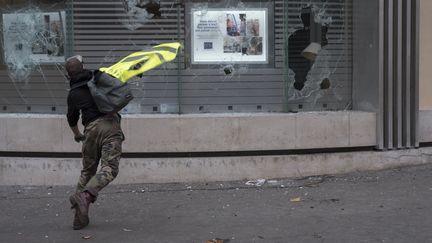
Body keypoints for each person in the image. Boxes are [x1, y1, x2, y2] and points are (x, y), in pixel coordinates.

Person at [65, 55, 125, 230]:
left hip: (90, 130)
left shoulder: (73, 93)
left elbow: (71, 118)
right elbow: (118, 81)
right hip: (109, 128)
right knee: (109, 169)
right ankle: (85, 195)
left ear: (69, 75)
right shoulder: (97, 77)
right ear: (83, 66)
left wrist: (77, 135)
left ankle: (79, 218)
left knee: (87, 171)